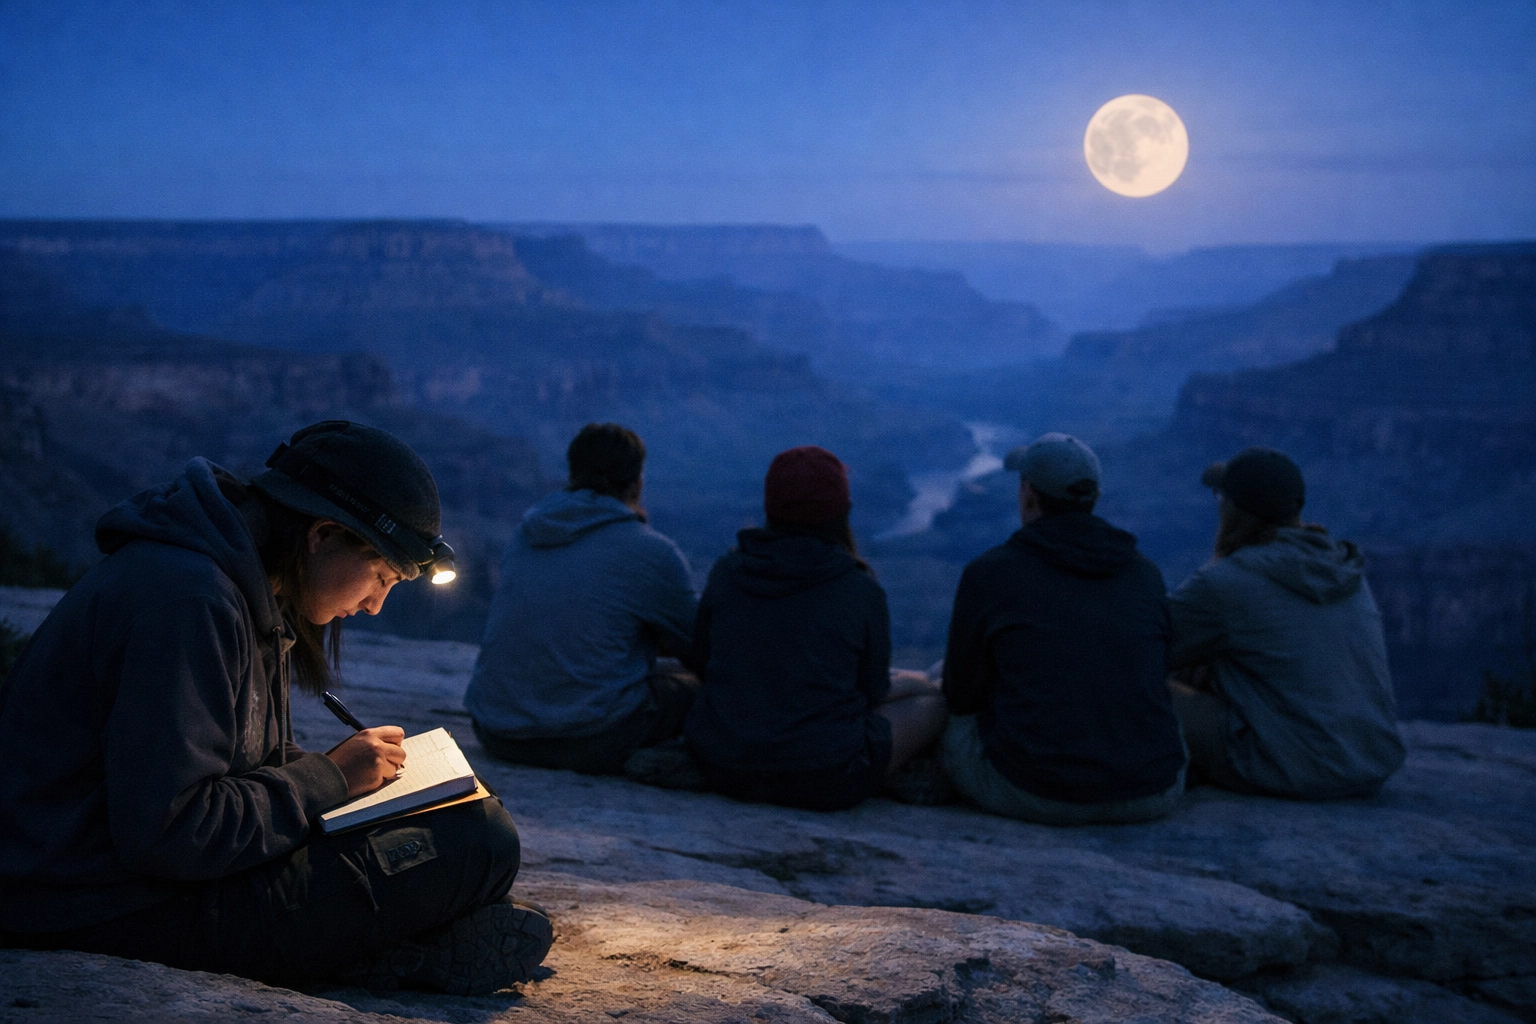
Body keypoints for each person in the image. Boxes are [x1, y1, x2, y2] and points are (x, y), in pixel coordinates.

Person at [0, 421, 552, 994]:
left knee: (462, 817)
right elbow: (172, 832)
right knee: (476, 845)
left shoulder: (243, 584)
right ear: (323, 534)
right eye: (381, 577)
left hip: (135, 879)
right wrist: (329, 778)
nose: (374, 606)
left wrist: (355, 784)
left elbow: (230, 761)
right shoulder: (189, 600)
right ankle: (388, 955)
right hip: (91, 898)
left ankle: (403, 936)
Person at [941, 433, 1186, 825]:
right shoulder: (1145, 574)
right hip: (1154, 791)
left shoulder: (991, 574)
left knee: (949, 714)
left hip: (1032, 791)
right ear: (1095, 497)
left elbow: (962, 695)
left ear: (1028, 495)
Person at [685, 446, 947, 811]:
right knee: (931, 702)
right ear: (840, 512)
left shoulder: (727, 572)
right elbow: (869, 691)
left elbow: (701, 662)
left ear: (770, 506)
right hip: (825, 777)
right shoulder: (859, 589)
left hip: (722, 764)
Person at [1167, 447, 1405, 799]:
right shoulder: (1344, 570)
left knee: (1145, 691)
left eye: (1222, 497)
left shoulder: (1227, 583)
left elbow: (1144, 645)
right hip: (1371, 763)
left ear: (1233, 510)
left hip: (1289, 766)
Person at [466, 423, 700, 775]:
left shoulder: (526, 533)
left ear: (572, 473)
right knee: (696, 688)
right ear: (638, 482)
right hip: (588, 738)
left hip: (497, 731)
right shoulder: (650, 551)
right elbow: (700, 646)